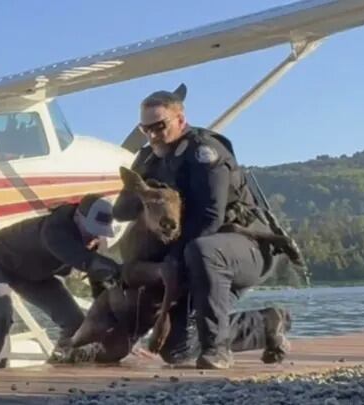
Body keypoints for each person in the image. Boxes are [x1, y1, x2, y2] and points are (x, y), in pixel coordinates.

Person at [115, 84, 298, 369]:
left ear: (180, 120)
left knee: (203, 249)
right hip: (194, 255)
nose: (152, 135)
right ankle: (265, 323)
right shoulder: (149, 158)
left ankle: (217, 350)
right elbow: (122, 211)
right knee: (177, 349)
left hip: (243, 246)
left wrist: (174, 259)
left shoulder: (205, 152)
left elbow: (210, 217)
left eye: (159, 126)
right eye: (145, 129)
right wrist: (142, 188)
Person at [0, 194, 122, 369]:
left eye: (99, 232)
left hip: (34, 274)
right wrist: (120, 271)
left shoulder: (91, 240)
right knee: (2, 313)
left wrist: (111, 321)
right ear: (77, 217)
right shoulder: (55, 230)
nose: (94, 236)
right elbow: (85, 260)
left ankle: (58, 364)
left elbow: (97, 278)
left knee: (75, 321)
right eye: (91, 229)